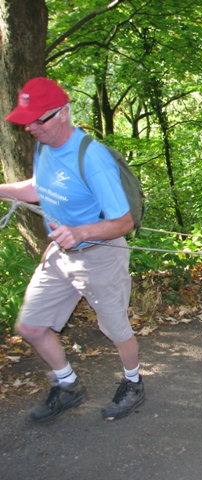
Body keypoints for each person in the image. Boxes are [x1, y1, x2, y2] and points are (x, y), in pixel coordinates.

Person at [0, 77, 145, 422]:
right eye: (27, 121)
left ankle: (134, 383)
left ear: (64, 113)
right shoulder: (43, 146)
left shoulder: (92, 158)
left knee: (115, 330)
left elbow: (124, 221)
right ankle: (68, 386)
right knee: (31, 326)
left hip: (101, 254)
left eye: (39, 119)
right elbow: (39, 187)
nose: (32, 127)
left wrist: (81, 231)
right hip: (60, 256)